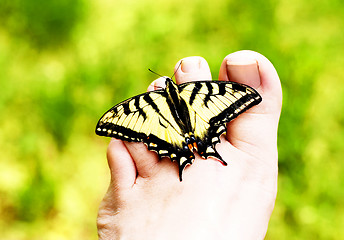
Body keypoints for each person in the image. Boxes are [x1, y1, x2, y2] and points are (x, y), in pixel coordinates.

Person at [96, 50, 282, 240]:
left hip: (171, 133)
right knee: (209, 97)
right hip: (194, 128)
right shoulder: (192, 90)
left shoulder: (149, 103)